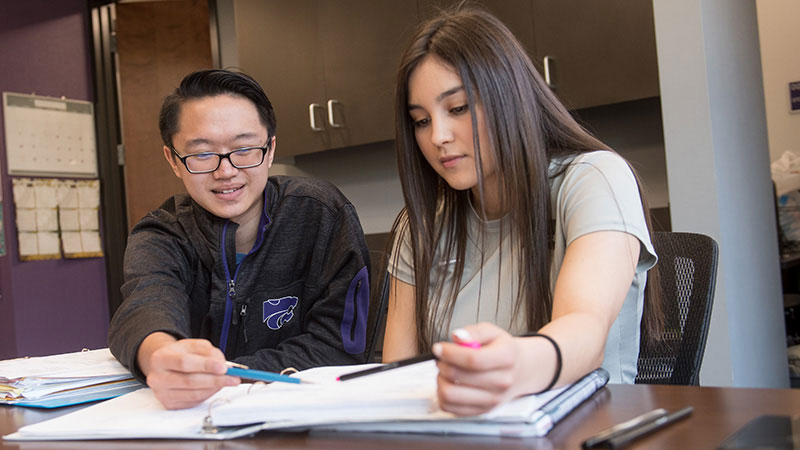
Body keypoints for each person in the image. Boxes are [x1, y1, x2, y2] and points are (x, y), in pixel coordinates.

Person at [382, 6, 664, 416]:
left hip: (587, 430)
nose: (438, 137)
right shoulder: (422, 224)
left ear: (508, 95)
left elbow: (585, 329)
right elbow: (398, 375)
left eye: (458, 108)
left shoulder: (594, 179)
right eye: (421, 120)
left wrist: (516, 364)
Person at [108, 69, 371, 409]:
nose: (226, 171)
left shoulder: (321, 214)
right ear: (173, 160)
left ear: (271, 148)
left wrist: (229, 376)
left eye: (244, 149)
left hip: (303, 415)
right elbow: (146, 302)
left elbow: (341, 344)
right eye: (202, 154)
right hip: (195, 419)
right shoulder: (162, 233)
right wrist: (161, 356)